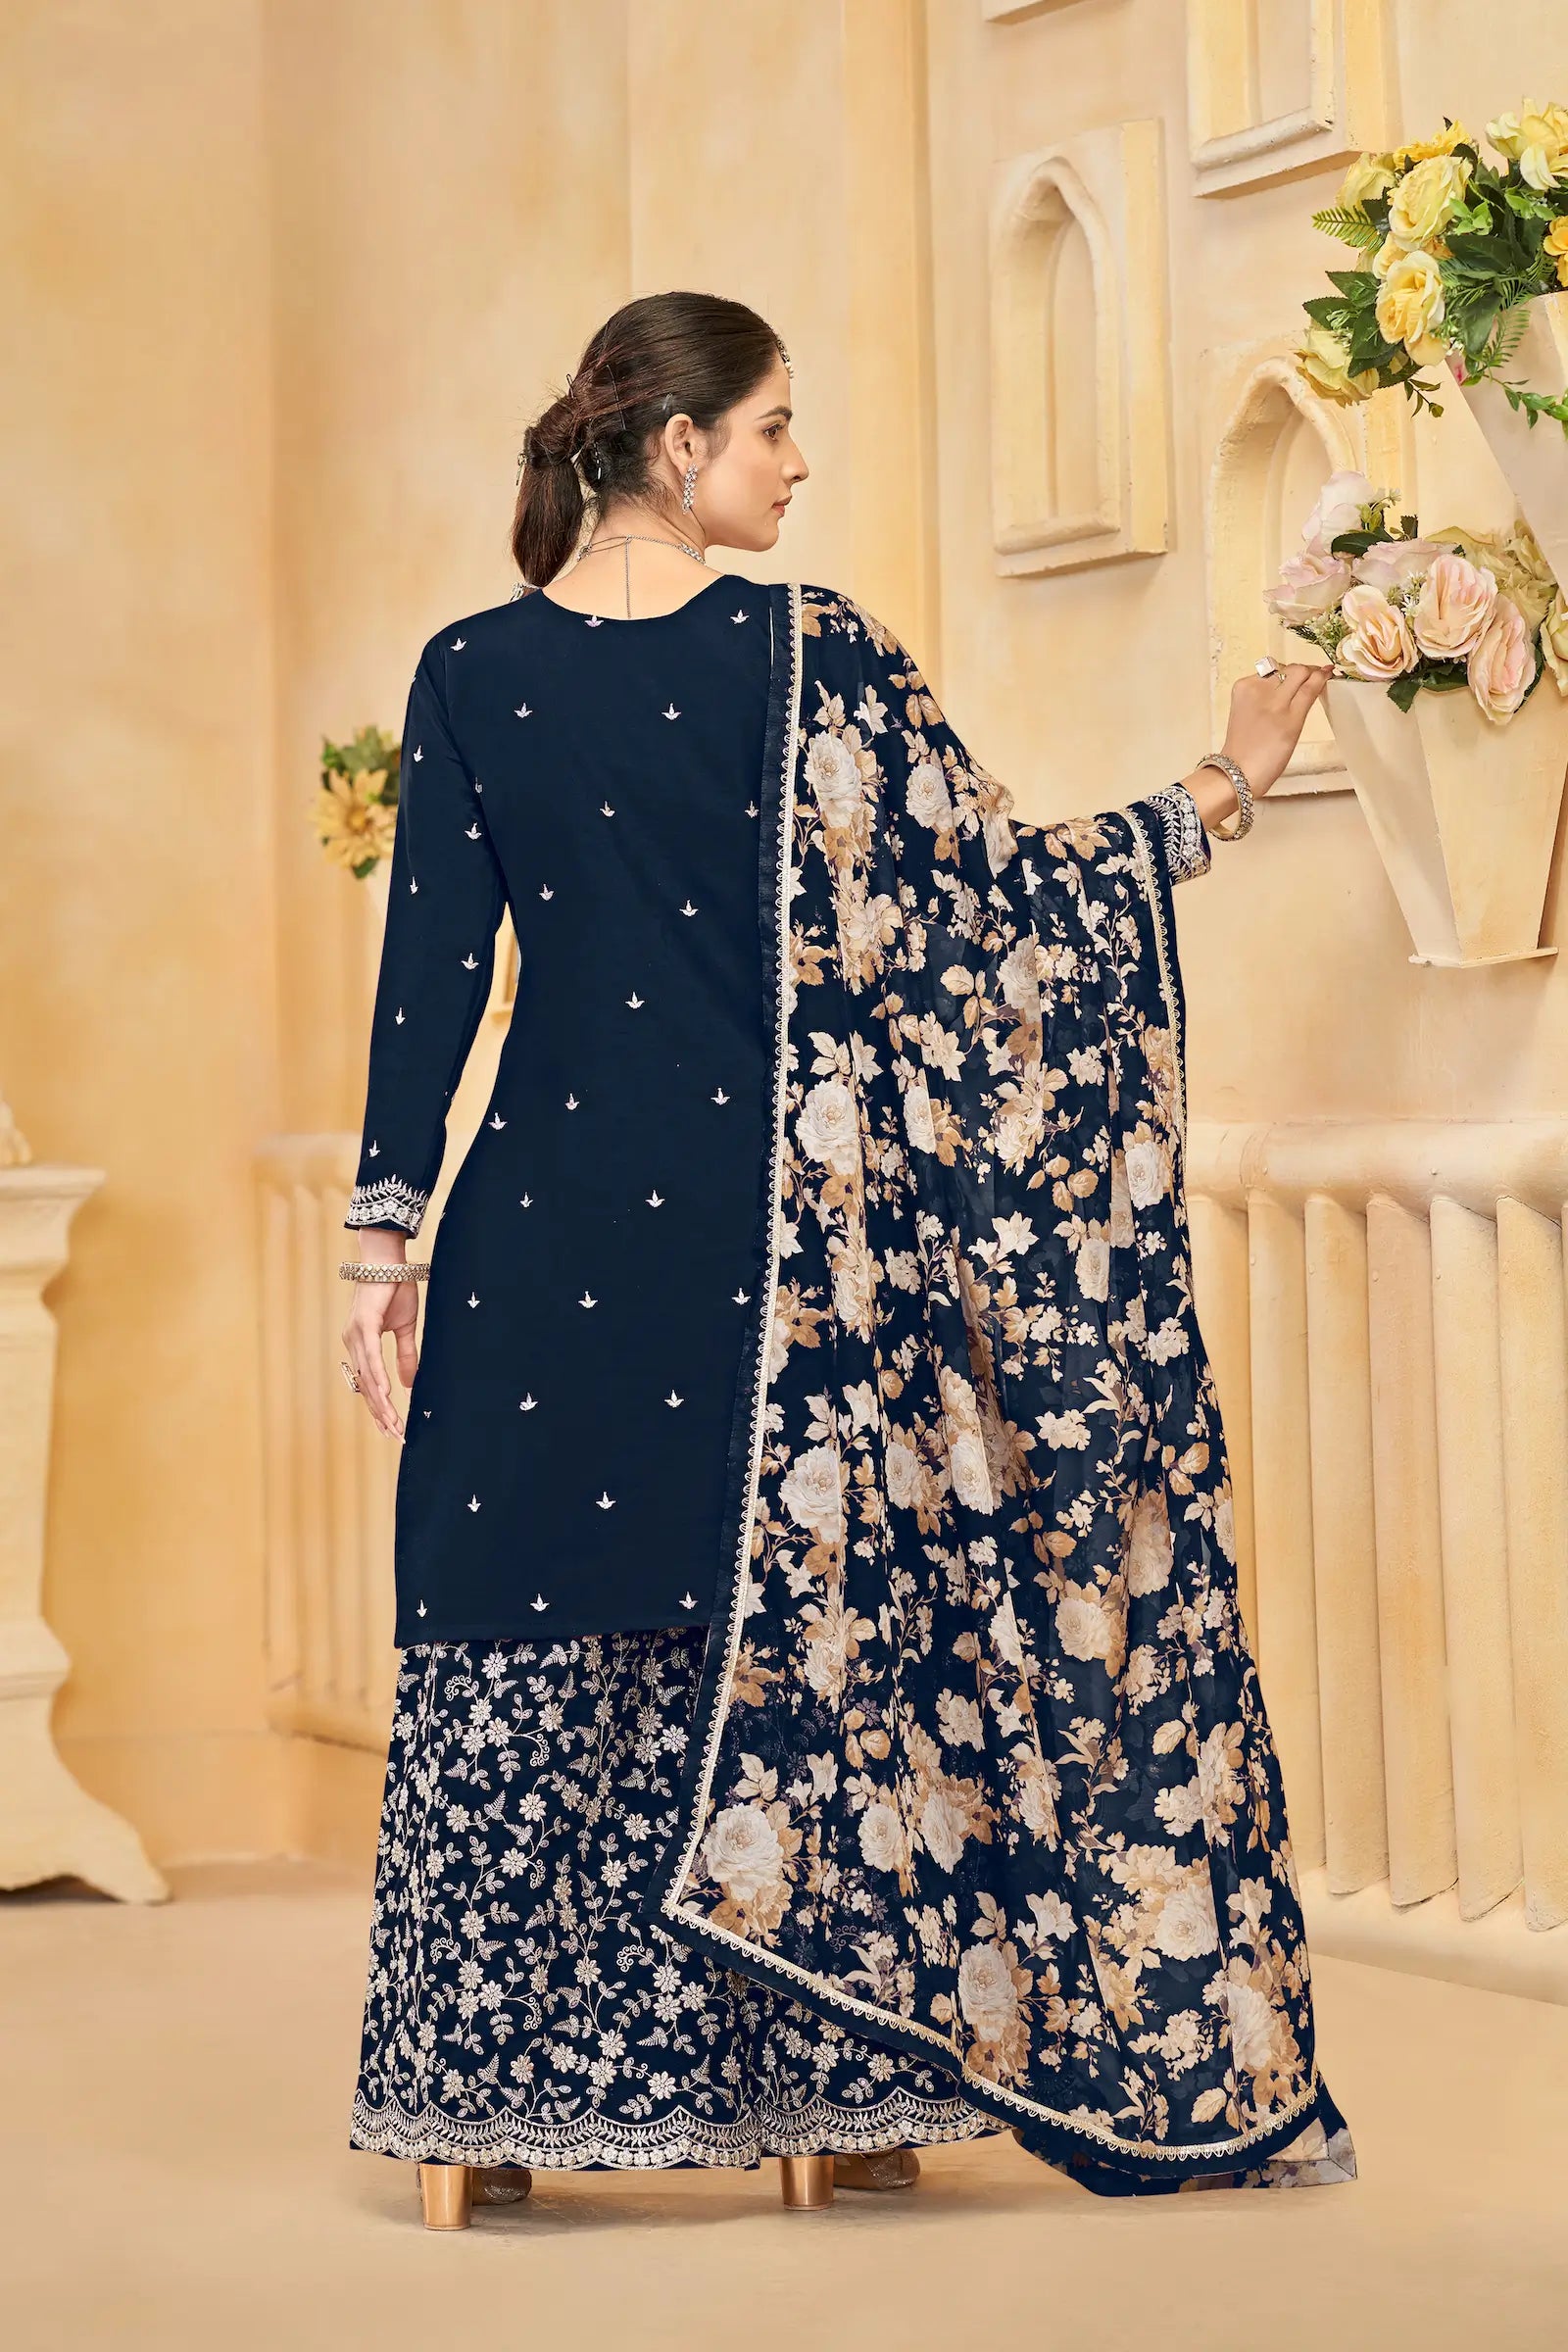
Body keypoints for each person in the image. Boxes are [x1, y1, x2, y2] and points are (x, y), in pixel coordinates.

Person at [338, 291, 1349, 2230]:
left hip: (537, 1239)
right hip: (779, 1254)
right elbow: (993, 914)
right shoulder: (814, 654)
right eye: (775, 427)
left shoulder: (469, 670)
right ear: (677, 445)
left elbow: (432, 983)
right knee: (791, 1621)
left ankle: (489, 2113)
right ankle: (829, 2102)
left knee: (523, 1615)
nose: (798, 465)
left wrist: (379, 1244)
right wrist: (1215, 790)